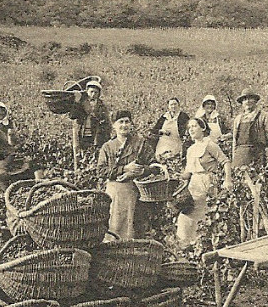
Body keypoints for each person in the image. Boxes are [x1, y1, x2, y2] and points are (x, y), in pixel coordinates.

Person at [176, 117, 233, 250]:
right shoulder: (190, 150)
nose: (191, 129)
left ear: (203, 128)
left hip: (208, 183)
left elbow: (226, 162)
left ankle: (204, 246)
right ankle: (188, 246)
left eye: (194, 126)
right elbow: (188, 172)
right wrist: (176, 176)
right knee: (186, 215)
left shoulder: (209, 145)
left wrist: (227, 180)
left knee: (203, 215)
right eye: (189, 127)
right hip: (193, 184)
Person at [97, 110, 153, 240]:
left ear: (131, 124)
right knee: (113, 227)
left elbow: (154, 166)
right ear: (114, 126)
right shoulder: (107, 147)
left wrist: (141, 170)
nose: (124, 125)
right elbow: (101, 171)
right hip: (114, 193)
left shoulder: (140, 144)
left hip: (135, 192)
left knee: (132, 228)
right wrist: (124, 168)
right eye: (120, 122)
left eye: (127, 121)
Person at [230, 88, 268, 168]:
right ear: (242, 102)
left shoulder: (264, 116)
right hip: (240, 158)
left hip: (257, 157)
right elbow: (234, 142)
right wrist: (234, 159)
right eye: (245, 99)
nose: (247, 101)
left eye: (250, 98)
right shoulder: (238, 119)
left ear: (255, 101)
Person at [70, 79, 111, 151]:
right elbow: (72, 116)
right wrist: (76, 102)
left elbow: (106, 122)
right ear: (87, 92)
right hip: (82, 134)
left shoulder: (102, 106)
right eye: (91, 91)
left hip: (95, 135)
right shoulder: (81, 103)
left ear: (99, 94)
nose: (93, 94)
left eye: (96, 92)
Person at [149, 97, 190, 164]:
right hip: (163, 142)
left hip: (176, 142)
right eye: (171, 105)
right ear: (168, 106)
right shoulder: (164, 116)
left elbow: (187, 129)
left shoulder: (183, 116)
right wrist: (162, 131)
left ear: (178, 105)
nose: (173, 106)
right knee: (161, 159)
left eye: (175, 104)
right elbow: (154, 130)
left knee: (173, 160)